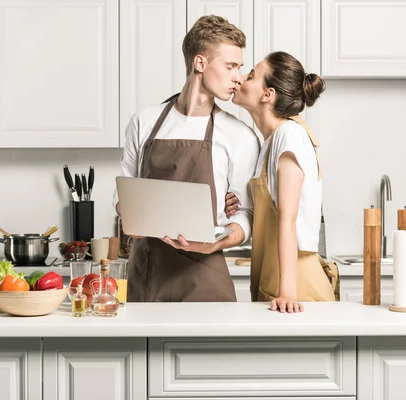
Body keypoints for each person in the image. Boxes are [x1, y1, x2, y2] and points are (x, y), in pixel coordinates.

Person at [113, 15, 260, 302]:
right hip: (147, 273)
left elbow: (246, 215)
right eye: (231, 66)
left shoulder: (240, 135)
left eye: (239, 68)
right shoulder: (145, 122)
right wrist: (131, 213)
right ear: (200, 63)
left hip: (204, 276)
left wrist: (217, 242)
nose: (238, 77)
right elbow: (121, 194)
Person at [227, 51, 337, 313]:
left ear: (268, 94)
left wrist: (287, 292)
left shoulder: (290, 135)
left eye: (251, 76)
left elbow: (287, 218)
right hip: (275, 279)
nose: (240, 79)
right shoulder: (269, 141)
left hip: (296, 288)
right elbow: (269, 210)